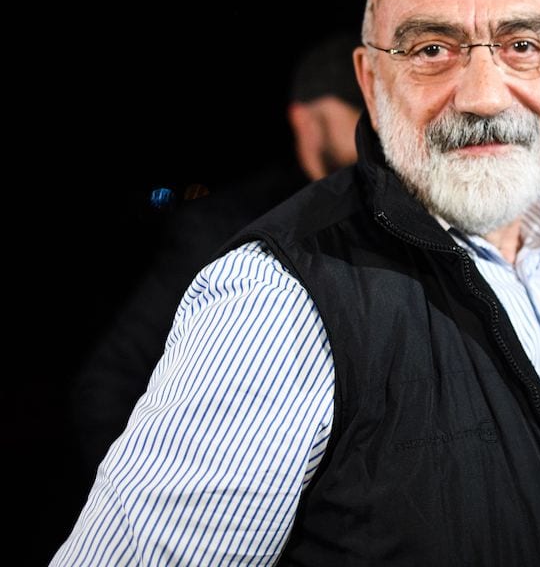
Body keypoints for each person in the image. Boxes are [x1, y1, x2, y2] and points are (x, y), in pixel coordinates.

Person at [54, 0, 540, 566]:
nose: (484, 95)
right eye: (431, 50)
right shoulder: (280, 299)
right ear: (370, 81)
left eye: (520, 45)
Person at [68, 33, 363, 471]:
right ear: (303, 119)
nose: (368, 129)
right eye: (354, 108)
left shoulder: (402, 213)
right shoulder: (229, 225)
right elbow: (111, 383)